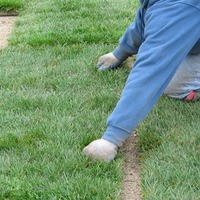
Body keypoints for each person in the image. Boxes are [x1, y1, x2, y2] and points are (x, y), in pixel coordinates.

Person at [83, 0, 200, 162]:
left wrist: (112, 138)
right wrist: (120, 52)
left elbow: (152, 67)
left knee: (173, 85)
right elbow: (146, 19)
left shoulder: (182, 5)